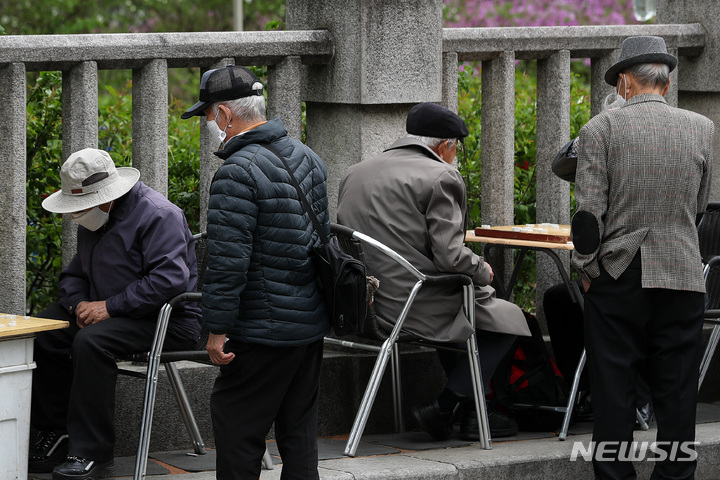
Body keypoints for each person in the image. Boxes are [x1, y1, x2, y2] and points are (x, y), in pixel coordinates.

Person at [337, 102, 531, 441]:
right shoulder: (440, 175)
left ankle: (470, 414)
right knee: (508, 320)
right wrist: (483, 270)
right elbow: (450, 257)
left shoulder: (356, 171)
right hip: (411, 303)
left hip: (361, 304)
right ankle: (446, 406)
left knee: (466, 309)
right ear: (446, 147)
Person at [572, 36, 713, 479]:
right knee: (678, 393)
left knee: (614, 390)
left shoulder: (600, 130)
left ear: (625, 84)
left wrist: (588, 270)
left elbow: (587, 218)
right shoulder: (702, 127)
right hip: (683, 269)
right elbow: (700, 208)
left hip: (619, 272)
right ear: (666, 85)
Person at [182, 64, 330, 479]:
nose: (211, 125)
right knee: (299, 432)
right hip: (308, 323)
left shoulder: (236, 172)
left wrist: (216, 329)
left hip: (262, 329)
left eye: (209, 116)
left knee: (237, 426)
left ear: (226, 114)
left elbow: (229, 263)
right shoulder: (308, 157)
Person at [29, 148, 202, 479]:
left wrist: (109, 307)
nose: (76, 215)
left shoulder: (157, 214)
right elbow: (74, 275)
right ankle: (58, 434)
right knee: (47, 330)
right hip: (112, 312)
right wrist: (78, 303)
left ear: (105, 197)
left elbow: (168, 281)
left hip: (167, 320)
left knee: (92, 341)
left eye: (80, 207)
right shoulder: (96, 217)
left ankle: (92, 454)